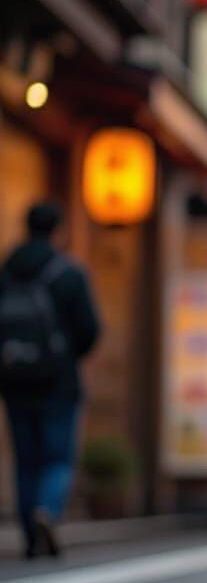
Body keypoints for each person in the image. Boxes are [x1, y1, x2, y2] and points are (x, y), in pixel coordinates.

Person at [0, 202, 101, 558]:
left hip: (14, 380)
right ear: (58, 230)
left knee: (25, 459)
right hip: (58, 382)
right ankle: (48, 509)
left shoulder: (7, 272)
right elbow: (89, 332)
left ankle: (30, 533)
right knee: (56, 457)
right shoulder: (69, 274)